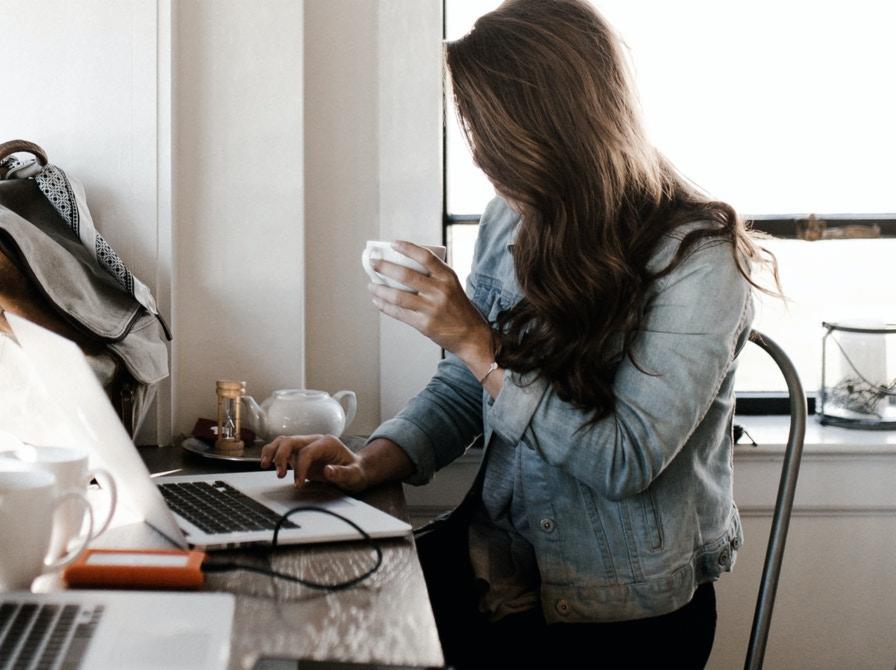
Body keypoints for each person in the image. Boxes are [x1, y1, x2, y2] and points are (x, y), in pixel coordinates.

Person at [261, 0, 777, 667]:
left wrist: (478, 342)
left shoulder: (699, 260)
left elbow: (622, 461)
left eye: (491, 136)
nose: (482, 158)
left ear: (555, 129)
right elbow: (465, 387)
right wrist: (369, 462)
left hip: (618, 614)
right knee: (300, 616)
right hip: (496, 568)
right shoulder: (511, 218)